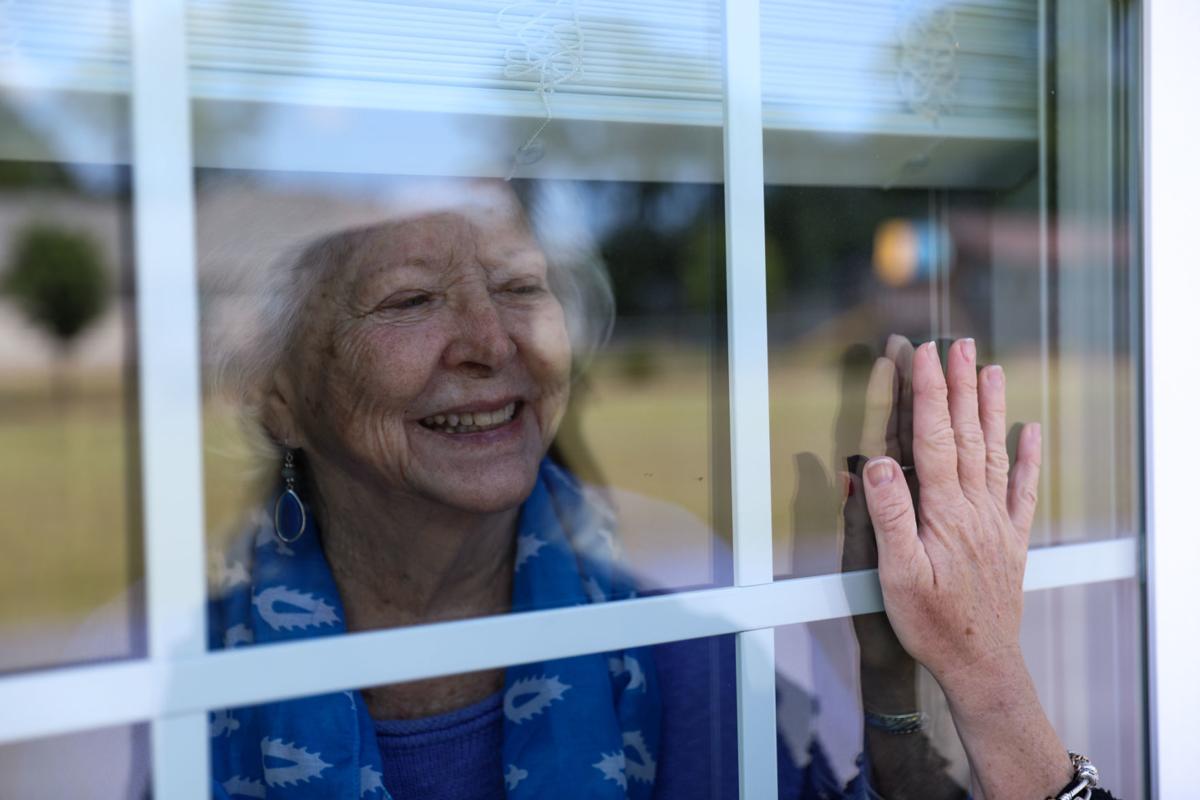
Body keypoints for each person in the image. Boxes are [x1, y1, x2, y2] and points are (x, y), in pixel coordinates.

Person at [207, 179, 1115, 799]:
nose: (492, 339)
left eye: (520, 287)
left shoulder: (682, 650)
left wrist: (900, 673)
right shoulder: (173, 695)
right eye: (409, 300)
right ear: (277, 395)